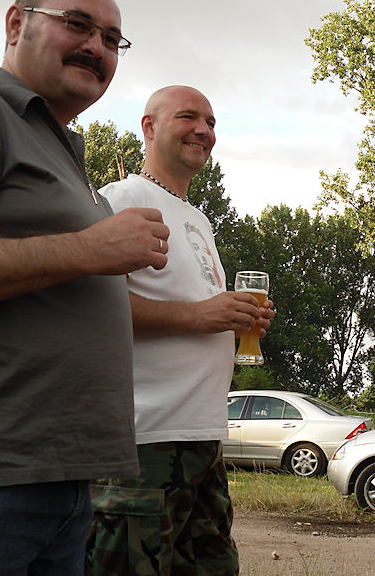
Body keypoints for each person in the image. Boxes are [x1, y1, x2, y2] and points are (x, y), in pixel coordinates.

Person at [0, 0, 170, 573]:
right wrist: (90, 249)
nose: (97, 47)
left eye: (112, 39)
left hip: (63, 482)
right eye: (78, 24)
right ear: (16, 23)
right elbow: (81, 255)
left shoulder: (59, 145)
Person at [85, 86, 275, 575]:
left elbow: (195, 310)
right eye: (188, 117)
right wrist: (200, 316)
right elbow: (91, 308)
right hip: (143, 439)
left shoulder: (198, 219)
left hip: (203, 437)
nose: (204, 131)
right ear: (149, 127)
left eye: (211, 122)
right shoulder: (122, 198)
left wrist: (236, 319)